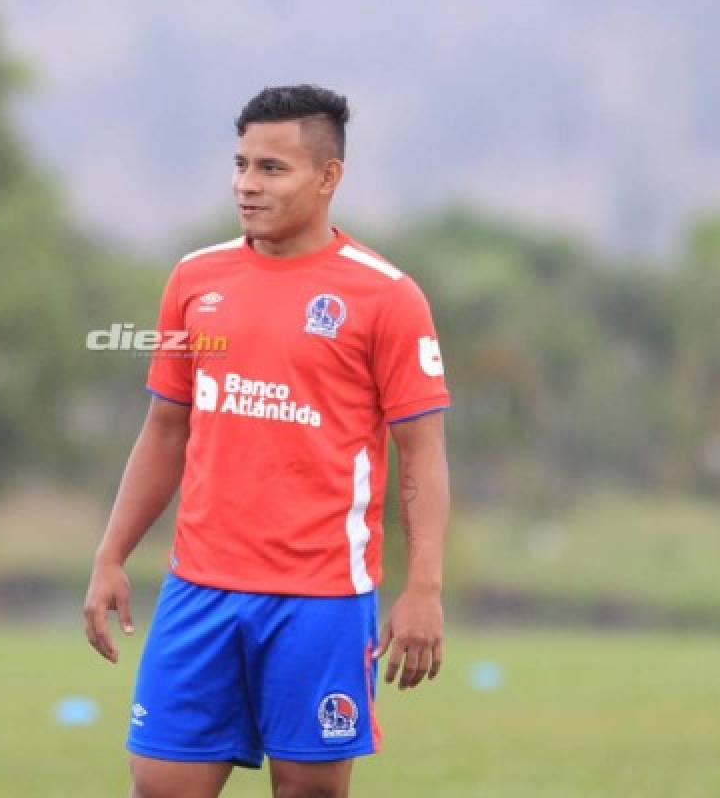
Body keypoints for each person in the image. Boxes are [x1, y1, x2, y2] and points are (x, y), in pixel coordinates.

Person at [84, 84, 451, 798]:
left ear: (328, 177)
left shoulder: (387, 296)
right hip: (200, 590)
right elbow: (164, 430)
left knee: (309, 793)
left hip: (322, 600)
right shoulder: (196, 279)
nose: (247, 185)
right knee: (159, 787)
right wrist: (110, 554)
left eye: (272, 168)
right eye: (242, 164)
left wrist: (424, 589)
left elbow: (424, 450)